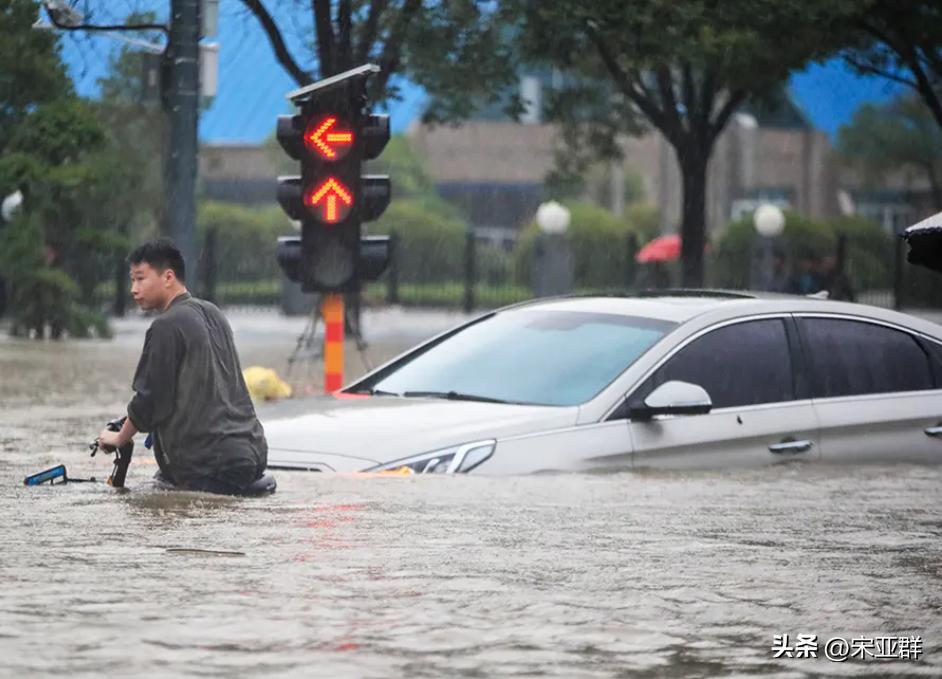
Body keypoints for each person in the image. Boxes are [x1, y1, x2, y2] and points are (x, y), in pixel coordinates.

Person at [95, 239, 270, 494]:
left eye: (140, 279)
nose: (133, 289)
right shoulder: (214, 313)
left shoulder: (165, 326)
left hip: (207, 465)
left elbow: (150, 400)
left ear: (168, 277)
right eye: (132, 280)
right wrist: (129, 421)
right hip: (252, 454)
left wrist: (119, 437)